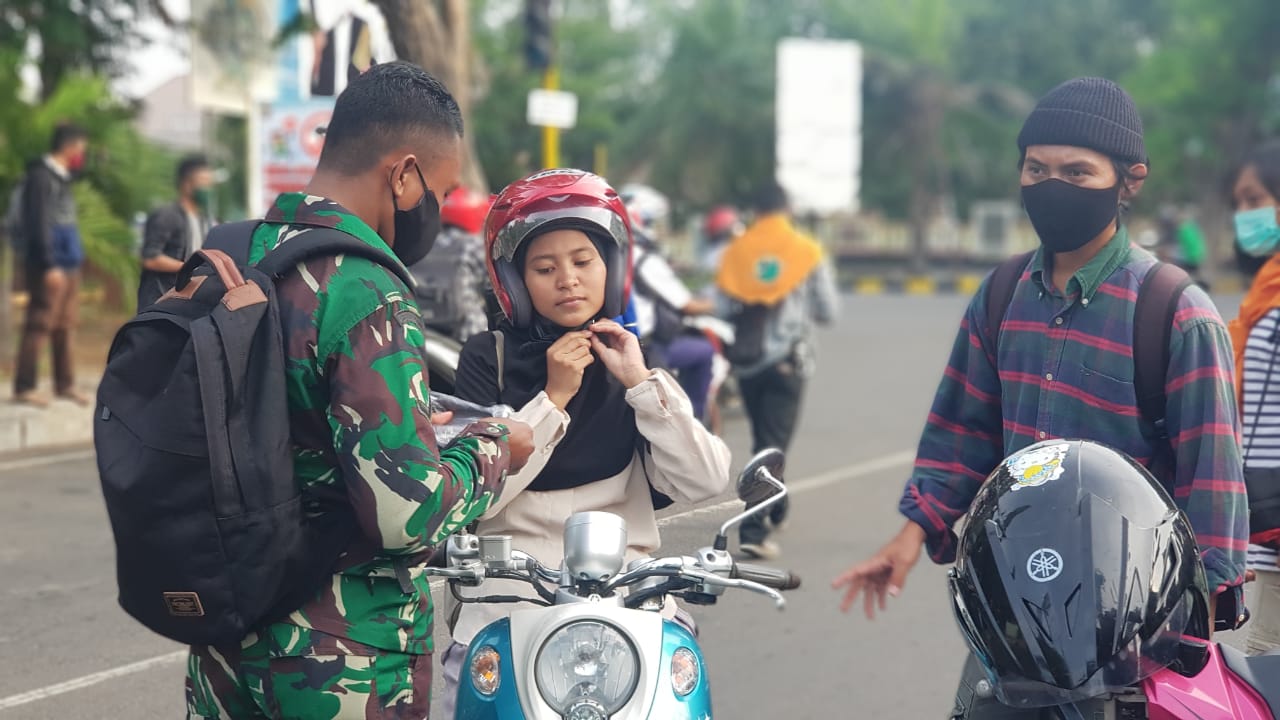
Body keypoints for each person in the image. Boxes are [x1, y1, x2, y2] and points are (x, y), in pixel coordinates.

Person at [831, 77, 1248, 684]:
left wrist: (1196, 628)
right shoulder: (1001, 296)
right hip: (1014, 600)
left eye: (1077, 172)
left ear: (1129, 181)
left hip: (1135, 616)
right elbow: (962, 433)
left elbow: (1212, 480)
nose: (1052, 186)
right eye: (1036, 169)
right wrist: (911, 535)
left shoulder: (1175, 313)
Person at [184, 62, 534, 720]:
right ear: (403, 176)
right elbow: (407, 516)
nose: (436, 208)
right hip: (342, 660)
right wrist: (492, 445)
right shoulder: (363, 285)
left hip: (225, 646)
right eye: (441, 188)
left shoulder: (236, 253)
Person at [443, 168, 731, 717]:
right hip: (508, 597)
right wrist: (552, 400)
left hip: (629, 597)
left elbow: (706, 479)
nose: (568, 279)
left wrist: (642, 386)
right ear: (515, 280)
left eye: (583, 261)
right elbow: (476, 495)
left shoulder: (631, 360)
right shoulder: (488, 358)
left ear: (613, 267)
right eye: (545, 268)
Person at [715, 181, 839, 560]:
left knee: (766, 439)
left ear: (756, 210)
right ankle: (753, 528)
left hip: (749, 362)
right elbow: (827, 312)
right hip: (789, 361)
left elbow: (722, 310)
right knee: (771, 446)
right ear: (786, 209)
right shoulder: (805, 250)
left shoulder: (737, 250)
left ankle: (778, 505)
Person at [1227, 139, 1280, 655]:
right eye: (1240, 203)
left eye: (1255, 198)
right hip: (1268, 512)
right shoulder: (1268, 288)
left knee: (1265, 658)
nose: (1244, 215)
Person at [13, 123, 90, 407]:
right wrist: (48, 265)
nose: (82, 155)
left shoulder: (62, 177)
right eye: (81, 149)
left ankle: (65, 383)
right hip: (50, 264)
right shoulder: (41, 177)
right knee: (40, 322)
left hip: (70, 262)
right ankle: (25, 386)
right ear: (69, 147)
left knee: (66, 324)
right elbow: (38, 222)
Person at [407, 185, 491, 342]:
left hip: (422, 332)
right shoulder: (473, 246)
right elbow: (495, 286)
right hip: (468, 334)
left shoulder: (424, 244)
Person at [137, 154, 215, 309]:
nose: (208, 189)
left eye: (210, 184)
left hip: (189, 302)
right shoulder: (167, 216)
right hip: (161, 302)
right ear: (186, 184)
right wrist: (188, 268)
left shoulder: (204, 219)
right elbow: (150, 258)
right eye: (203, 183)